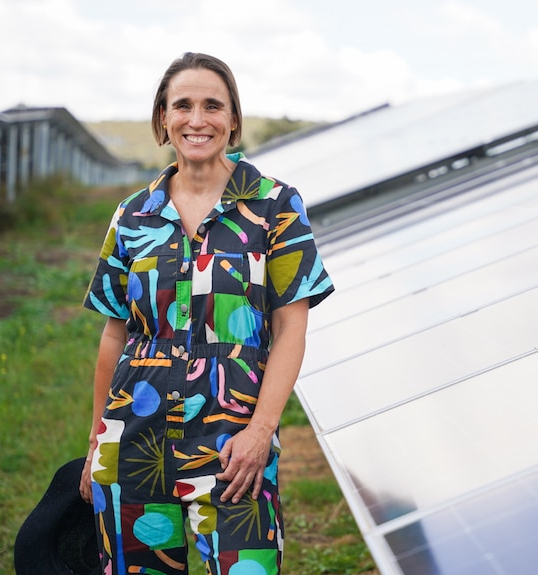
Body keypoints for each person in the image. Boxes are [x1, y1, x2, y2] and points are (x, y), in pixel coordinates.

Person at [79, 52, 334, 575]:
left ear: (234, 119)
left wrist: (261, 431)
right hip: (132, 440)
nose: (198, 120)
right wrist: (97, 440)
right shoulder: (132, 215)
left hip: (234, 444)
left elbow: (291, 327)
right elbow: (114, 333)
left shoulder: (274, 205)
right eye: (183, 106)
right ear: (163, 119)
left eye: (213, 106)